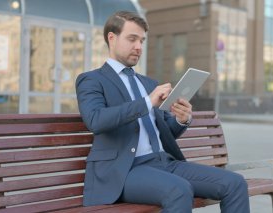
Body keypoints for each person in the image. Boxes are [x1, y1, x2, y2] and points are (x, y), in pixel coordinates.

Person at [75, 11, 250, 213]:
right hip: (123, 171)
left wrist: (181, 120)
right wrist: (147, 102)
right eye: (132, 39)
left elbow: (166, 132)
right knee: (179, 190)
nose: (138, 47)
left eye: (142, 40)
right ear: (111, 38)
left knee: (235, 183)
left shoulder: (148, 83)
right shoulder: (92, 80)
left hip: (164, 162)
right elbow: (95, 120)